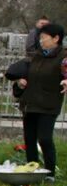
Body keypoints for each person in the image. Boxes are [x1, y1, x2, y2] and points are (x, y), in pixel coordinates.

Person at [17, 22, 67, 177]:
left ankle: (49, 172)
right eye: (40, 38)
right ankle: (32, 170)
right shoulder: (36, 56)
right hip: (29, 103)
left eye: (44, 38)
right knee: (30, 140)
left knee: (45, 138)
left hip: (48, 104)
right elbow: (27, 74)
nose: (41, 41)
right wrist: (21, 82)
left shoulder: (63, 57)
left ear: (56, 38)